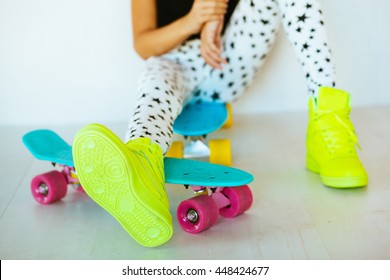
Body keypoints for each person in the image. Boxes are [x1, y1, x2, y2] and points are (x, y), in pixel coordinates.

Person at [73, 0, 368, 247]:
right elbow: (144, 44)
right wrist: (195, 20)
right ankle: (142, 165)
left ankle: (327, 124)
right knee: (155, 86)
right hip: (171, 62)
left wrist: (212, 23)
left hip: (224, 63)